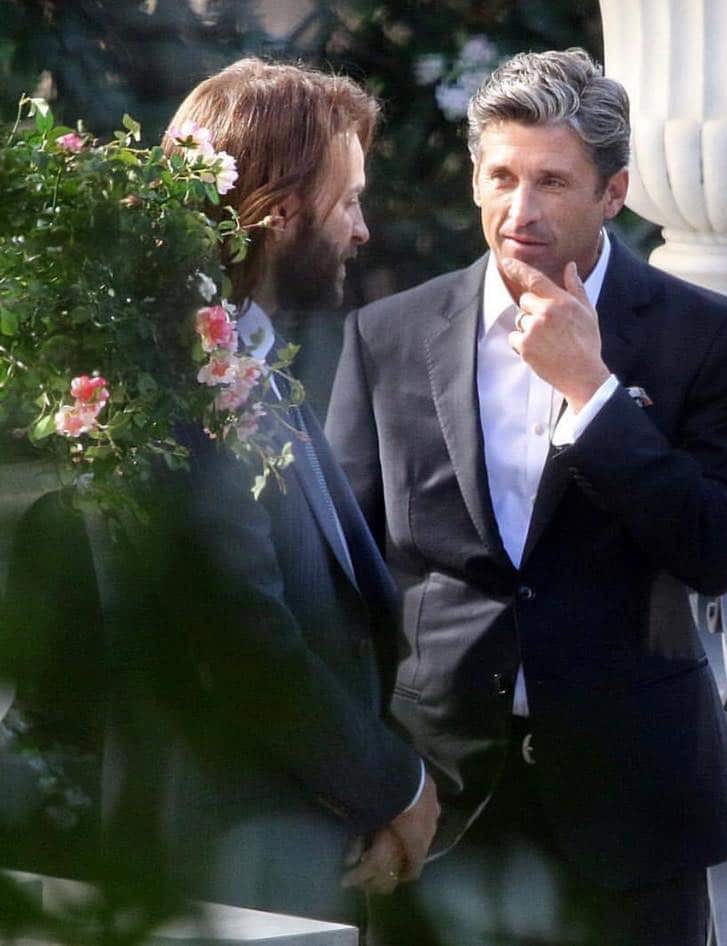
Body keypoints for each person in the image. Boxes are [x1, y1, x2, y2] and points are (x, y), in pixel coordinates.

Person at [326, 48, 727, 945]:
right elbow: (345, 580)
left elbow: (717, 549)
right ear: (475, 181)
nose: (520, 211)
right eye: (502, 178)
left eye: (553, 182)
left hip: (634, 812)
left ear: (614, 193)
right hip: (437, 803)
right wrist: (369, 782)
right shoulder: (388, 335)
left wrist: (593, 395)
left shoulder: (707, 336)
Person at [99, 58, 439, 925]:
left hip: (292, 842)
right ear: (282, 216)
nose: (363, 230)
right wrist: (395, 789)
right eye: (348, 202)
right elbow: (243, 638)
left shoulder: (245, 354)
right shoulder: (170, 383)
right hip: (222, 860)